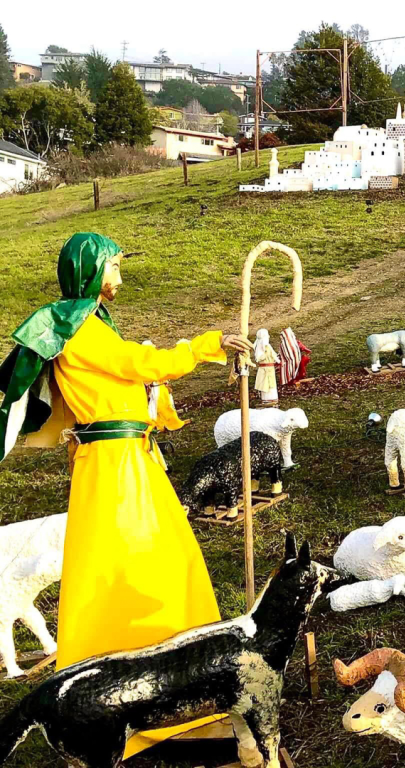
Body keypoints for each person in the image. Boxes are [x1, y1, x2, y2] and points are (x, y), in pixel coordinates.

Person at [0, 233, 252, 757]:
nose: (121, 274)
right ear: (93, 270)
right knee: (132, 570)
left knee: (162, 562)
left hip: (131, 463)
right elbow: (138, 365)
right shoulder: (77, 326)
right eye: (115, 264)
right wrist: (208, 345)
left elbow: (132, 383)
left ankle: (181, 684)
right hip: (114, 472)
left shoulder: (91, 326)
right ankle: (127, 696)